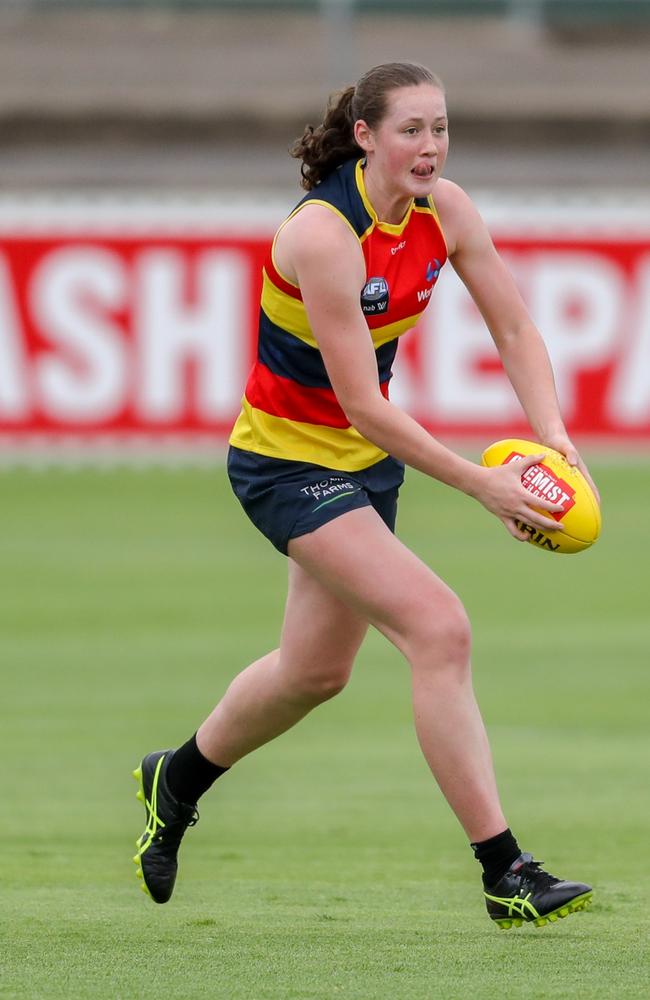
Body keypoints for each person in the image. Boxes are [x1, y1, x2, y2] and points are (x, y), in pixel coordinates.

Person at [132, 61, 597, 928]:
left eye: (441, 128)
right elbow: (363, 406)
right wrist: (482, 486)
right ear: (365, 137)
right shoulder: (322, 234)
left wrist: (555, 437)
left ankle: (178, 777)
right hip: (286, 465)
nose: (430, 147)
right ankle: (506, 871)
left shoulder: (446, 212)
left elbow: (514, 324)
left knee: (314, 673)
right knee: (439, 626)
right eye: (412, 130)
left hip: (359, 466)